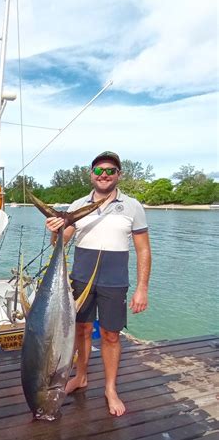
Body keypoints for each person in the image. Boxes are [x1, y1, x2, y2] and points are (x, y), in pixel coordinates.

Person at [46, 151, 151, 417]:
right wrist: (54, 230)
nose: (104, 175)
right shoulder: (77, 205)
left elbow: (143, 250)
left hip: (114, 282)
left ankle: (110, 388)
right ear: (91, 174)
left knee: (111, 335)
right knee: (81, 330)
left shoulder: (132, 206)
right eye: (99, 171)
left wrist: (142, 288)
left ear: (118, 175)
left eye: (110, 171)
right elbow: (60, 243)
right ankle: (81, 377)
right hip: (81, 279)